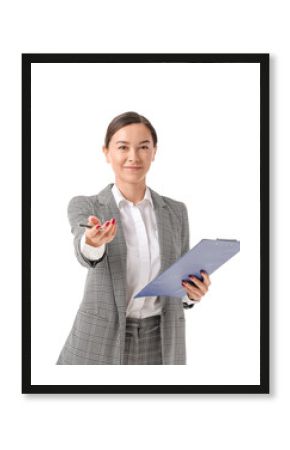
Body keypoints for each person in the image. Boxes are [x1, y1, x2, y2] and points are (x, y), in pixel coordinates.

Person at [56, 111, 211, 365]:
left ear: (154, 152)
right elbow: (83, 247)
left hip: (161, 340)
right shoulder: (87, 206)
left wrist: (192, 293)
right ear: (106, 152)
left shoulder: (176, 212)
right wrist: (93, 242)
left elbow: (179, 279)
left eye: (143, 147)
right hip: (100, 339)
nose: (133, 157)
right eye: (123, 147)